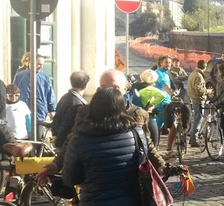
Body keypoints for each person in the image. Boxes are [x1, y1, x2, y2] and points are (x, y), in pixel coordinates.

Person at [35, 70, 167, 186]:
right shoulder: (85, 112)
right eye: (104, 87)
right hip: (94, 182)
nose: (109, 93)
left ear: (126, 88)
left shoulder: (137, 113)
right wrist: (57, 164)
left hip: (128, 181)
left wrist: (160, 165)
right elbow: (72, 140)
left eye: (115, 87)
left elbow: (146, 144)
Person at [12, 54, 56, 138]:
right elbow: (13, 92)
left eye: (42, 64)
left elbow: (50, 94)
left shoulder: (45, 77)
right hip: (22, 113)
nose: (41, 66)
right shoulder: (19, 76)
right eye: (38, 64)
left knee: (39, 138)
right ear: (30, 63)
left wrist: (52, 109)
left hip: (39, 112)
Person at [51, 71, 90, 149]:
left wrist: (55, 134)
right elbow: (67, 125)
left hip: (63, 140)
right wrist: (59, 142)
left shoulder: (65, 97)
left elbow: (56, 118)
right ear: (85, 85)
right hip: (68, 144)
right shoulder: (77, 104)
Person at [137, 70, 166, 147]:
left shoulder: (136, 86)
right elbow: (163, 95)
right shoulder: (149, 89)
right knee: (153, 142)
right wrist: (151, 103)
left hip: (137, 116)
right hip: (148, 116)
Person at [187, 60, 208, 147]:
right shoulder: (199, 76)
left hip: (193, 98)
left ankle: (192, 138)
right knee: (198, 120)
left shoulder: (193, 73)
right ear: (205, 67)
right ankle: (194, 140)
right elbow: (199, 90)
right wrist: (207, 91)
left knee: (196, 119)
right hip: (198, 100)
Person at [153, 55, 174, 128]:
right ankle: (156, 139)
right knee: (159, 125)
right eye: (166, 62)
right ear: (161, 63)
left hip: (167, 101)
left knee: (169, 125)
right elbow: (166, 86)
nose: (168, 64)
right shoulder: (158, 73)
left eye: (170, 63)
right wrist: (172, 95)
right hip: (160, 102)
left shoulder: (165, 72)